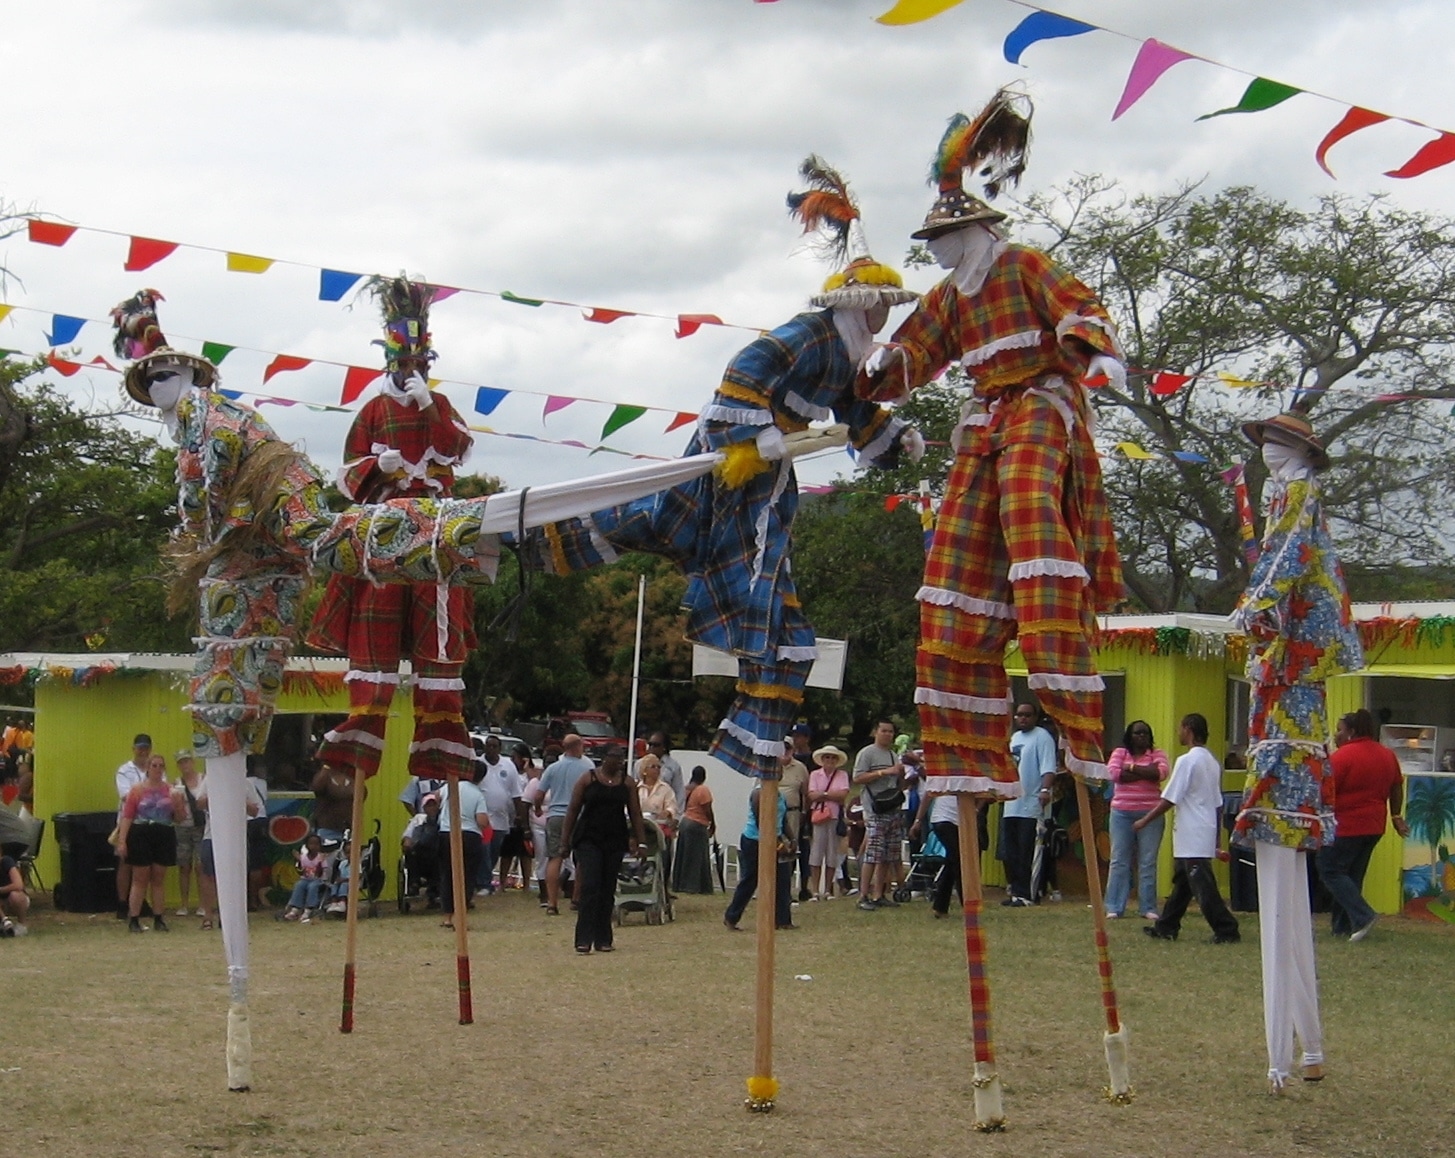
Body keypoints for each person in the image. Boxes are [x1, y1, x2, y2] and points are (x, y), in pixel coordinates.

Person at [524, 158, 922, 780]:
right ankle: (534, 537)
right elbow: (743, 369)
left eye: (887, 309)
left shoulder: (847, 353)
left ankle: (753, 725)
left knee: (765, 609)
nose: (883, 318)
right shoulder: (810, 333)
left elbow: (854, 409)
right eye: (879, 307)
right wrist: (756, 431)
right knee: (675, 528)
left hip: (771, 472)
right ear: (858, 302)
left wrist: (891, 440)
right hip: (736, 456)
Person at [857, 89, 1125, 799]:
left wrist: (1093, 351)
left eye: (940, 240)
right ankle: (967, 754)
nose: (934, 251)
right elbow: (917, 349)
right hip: (984, 417)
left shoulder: (1022, 265)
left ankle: (1058, 657)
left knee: (1030, 511)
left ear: (972, 229)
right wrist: (883, 368)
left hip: (1039, 401)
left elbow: (1081, 306)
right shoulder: (949, 296)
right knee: (954, 554)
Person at [1232, 410, 1362, 1093]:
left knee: (1283, 899)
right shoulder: (1296, 499)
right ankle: (1305, 1048)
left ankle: (1286, 1056)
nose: (1266, 455)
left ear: (1294, 451)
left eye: (1274, 445)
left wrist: (1255, 608)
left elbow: (1282, 560)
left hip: (1290, 712)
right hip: (1291, 699)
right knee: (1288, 904)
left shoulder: (1297, 495)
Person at [308, 277, 478, 788]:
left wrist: (428, 404)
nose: (411, 371)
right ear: (389, 360)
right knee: (374, 627)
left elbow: (454, 450)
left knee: (439, 628)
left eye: (419, 363)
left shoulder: (440, 406)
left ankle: (441, 751)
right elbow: (346, 475)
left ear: (428, 362)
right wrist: (376, 467)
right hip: (386, 526)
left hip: (435, 528)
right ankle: (358, 743)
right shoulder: (371, 410)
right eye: (403, 363)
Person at [1137, 713, 1238, 945]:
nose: (1178, 732)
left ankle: (1226, 928)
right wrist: (1216, 840)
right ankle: (1166, 926)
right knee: (1183, 884)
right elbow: (1217, 803)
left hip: (1191, 832)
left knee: (1203, 887)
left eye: (1181, 728)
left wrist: (1145, 820)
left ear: (1189, 729)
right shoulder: (1212, 762)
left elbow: (1170, 798)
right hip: (1202, 830)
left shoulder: (1187, 761)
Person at [1320, 709, 1406, 940]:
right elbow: (1396, 786)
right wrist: (1396, 816)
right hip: (1374, 826)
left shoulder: (1342, 757)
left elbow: (1326, 790)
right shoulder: (1387, 755)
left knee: (1330, 870)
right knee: (1351, 876)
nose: (1336, 735)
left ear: (1351, 731)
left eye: (1339, 730)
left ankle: (1363, 915)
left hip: (1346, 825)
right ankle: (1342, 927)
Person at [561, 748, 645, 954]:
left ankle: (603, 938)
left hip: (614, 840)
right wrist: (565, 841)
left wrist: (641, 842)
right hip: (589, 839)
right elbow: (573, 810)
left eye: (622, 760)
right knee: (590, 886)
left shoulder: (627, 783)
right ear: (605, 759)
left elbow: (635, 813)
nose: (619, 763)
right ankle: (583, 939)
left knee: (607, 889)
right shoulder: (587, 779)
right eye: (615, 759)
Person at [1105, 721, 1170, 920]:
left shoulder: (1158, 754)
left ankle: (1148, 907)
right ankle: (1114, 907)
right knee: (1119, 860)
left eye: (1145, 733)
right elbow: (1114, 774)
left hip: (1151, 813)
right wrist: (1145, 773)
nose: (1141, 736)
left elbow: (1160, 774)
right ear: (1129, 736)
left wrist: (1131, 768)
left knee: (1147, 861)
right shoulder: (1119, 752)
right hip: (1121, 813)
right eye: (1137, 733)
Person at [117, 752, 185, 932]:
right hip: (141, 832)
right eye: (153, 765)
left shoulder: (171, 790)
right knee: (140, 877)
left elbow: (179, 818)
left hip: (163, 832)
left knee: (158, 878)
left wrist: (178, 805)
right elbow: (128, 816)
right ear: (147, 768)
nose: (157, 769)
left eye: (160, 766)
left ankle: (159, 917)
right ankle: (134, 917)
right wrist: (122, 841)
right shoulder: (137, 790)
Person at [1001, 703, 1056, 907]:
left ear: (1035, 717)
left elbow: (1049, 768)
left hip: (1032, 805)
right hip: (1012, 804)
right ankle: (1016, 892)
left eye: (1027, 715)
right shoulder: (1014, 739)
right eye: (1019, 715)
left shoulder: (1042, 737)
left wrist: (1044, 790)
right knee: (1012, 851)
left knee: (1028, 851)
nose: (1023, 718)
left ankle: (1029, 894)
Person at [195, 774, 265, 932]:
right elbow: (199, 803)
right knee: (208, 875)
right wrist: (215, 794)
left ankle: (228, 917)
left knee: (233, 877)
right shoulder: (210, 779)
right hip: (211, 835)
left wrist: (238, 797)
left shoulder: (245, 782)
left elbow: (255, 811)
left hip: (235, 838)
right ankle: (208, 916)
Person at [722, 778, 792, 932]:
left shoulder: (780, 795)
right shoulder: (758, 793)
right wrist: (777, 844)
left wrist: (792, 839)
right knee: (751, 879)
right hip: (754, 840)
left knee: (783, 878)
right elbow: (763, 822)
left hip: (775, 838)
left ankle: (783, 919)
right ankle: (731, 916)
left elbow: (783, 820)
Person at [536, 734, 593, 915]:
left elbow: (538, 794)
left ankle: (552, 902)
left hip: (556, 816)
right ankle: (576, 899)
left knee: (555, 858)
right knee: (582, 858)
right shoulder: (588, 767)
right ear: (577, 747)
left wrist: (538, 809)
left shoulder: (553, 768)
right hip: (580, 816)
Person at [853, 720, 907, 910]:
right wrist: (883, 772)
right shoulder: (867, 753)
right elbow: (858, 777)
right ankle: (863, 894)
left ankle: (879, 893)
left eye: (891, 732)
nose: (887, 734)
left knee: (887, 854)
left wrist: (901, 774)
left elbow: (900, 784)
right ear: (876, 732)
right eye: (884, 731)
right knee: (873, 853)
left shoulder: (893, 755)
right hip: (875, 808)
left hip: (892, 808)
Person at [436, 775, 489, 927]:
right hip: (470, 836)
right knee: (467, 877)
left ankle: (447, 916)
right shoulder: (477, 794)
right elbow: (481, 820)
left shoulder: (449, 787)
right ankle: (460, 916)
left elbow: (435, 796)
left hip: (447, 832)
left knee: (447, 875)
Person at [475, 734, 523, 894]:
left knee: (494, 852)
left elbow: (516, 793)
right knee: (484, 849)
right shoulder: (478, 764)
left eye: (494, 746)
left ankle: (483, 879)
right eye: (488, 746)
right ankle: (484, 883)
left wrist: (519, 815)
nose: (491, 749)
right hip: (483, 818)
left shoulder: (508, 765)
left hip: (502, 819)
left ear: (500, 748)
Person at [911, 784, 966, 919]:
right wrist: (918, 821)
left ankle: (940, 907)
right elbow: (928, 794)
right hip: (942, 819)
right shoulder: (941, 771)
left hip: (961, 820)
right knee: (958, 860)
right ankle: (966, 903)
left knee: (952, 862)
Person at [114, 733, 152, 919]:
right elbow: (126, 796)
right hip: (129, 821)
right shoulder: (124, 771)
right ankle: (122, 902)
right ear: (134, 749)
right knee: (125, 862)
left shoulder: (155, 768)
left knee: (145, 864)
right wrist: (149, 796)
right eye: (140, 747)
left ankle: (140, 901)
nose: (143, 751)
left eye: (146, 748)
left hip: (150, 822)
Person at [806, 744, 850, 901]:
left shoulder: (842, 775)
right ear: (822, 760)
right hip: (818, 815)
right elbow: (812, 795)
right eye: (827, 757)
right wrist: (830, 794)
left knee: (832, 852)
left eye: (832, 757)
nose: (829, 760)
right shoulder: (815, 775)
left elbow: (843, 795)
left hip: (834, 816)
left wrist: (823, 794)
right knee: (816, 852)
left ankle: (827, 890)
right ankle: (815, 890)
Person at [172, 751, 207, 917]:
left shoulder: (203, 779)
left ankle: (202, 904)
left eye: (187, 761)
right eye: (181, 763)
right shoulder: (177, 783)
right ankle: (184, 904)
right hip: (183, 826)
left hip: (200, 826)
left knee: (201, 866)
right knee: (184, 866)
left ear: (192, 762)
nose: (185, 765)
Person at [497, 743, 536, 891]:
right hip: (509, 818)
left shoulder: (527, 776)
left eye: (516, 757)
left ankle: (526, 883)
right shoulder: (508, 772)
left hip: (525, 819)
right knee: (506, 853)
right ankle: (502, 882)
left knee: (525, 853)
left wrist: (527, 768)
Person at [635, 753, 679, 886]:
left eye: (659, 767)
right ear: (644, 770)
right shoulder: (636, 788)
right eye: (653, 766)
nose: (657, 769)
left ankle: (662, 884)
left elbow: (672, 807)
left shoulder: (666, 789)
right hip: (640, 826)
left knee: (662, 856)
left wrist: (667, 812)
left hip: (659, 827)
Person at [673, 766, 716, 895]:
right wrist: (712, 824)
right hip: (697, 824)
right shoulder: (702, 790)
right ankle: (693, 886)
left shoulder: (686, 789)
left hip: (685, 822)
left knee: (684, 855)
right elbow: (707, 809)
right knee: (697, 856)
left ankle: (679, 884)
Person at [776, 740, 810, 902]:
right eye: (782, 747)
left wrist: (804, 812)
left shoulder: (800, 768)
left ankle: (786, 892)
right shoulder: (772, 765)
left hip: (793, 813)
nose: (785, 751)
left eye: (788, 747)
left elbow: (805, 793)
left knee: (790, 850)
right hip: (774, 814)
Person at [788, 722, 818, 900]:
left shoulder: (812, 760)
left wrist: (806, 810)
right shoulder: (790, 759)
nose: (795, 739)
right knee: (790, 846)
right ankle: (787, 885)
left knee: (805, 848)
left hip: (806, 808)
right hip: (791, 808)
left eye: (798, 736)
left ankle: (805, 887)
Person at [400, 792, 442, 909]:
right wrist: (408, 842)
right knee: (411, 851)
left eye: (434, 805)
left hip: (436, 855)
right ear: (424, 807)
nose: (432, 808)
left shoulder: (442, 820)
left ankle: (435, 890)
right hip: (419, 855)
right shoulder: (418, 819)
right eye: (428, 805)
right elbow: (407, 837)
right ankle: (414, 882)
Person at [282, 834, 329, 921]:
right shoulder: (303, 857)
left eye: (316, 844)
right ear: (307, 845)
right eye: (311, 844)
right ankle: (295, 909)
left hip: (318, 880)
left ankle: (308, 909)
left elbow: (319, 874)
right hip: (306, 879)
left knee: (312, 886)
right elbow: (301, 872)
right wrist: (299, 861)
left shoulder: (321, 857)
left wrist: (319, 862)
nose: (314, 846)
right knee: (299, 885)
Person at [310, 764, 355, 843]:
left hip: (348, 832)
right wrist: (327, 766)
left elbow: (362, 795)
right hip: (326, 830)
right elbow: (317, 788)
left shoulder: (352, 779)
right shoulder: (325, 777)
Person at [643, 733, 685, 812]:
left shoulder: (673, 766)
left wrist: (676, 816)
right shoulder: (640, 764)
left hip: (664, 814)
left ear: (664, 747)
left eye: (656, 745)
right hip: (644, 811)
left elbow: (679, 793)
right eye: (650, 744)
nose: (652, 748)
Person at [0, 849, 29, 935]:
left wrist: (1, 889)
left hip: (12, 899)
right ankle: (4, 922)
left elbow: (19, 885)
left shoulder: (7, 862)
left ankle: (22, 925)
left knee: (15, 896)